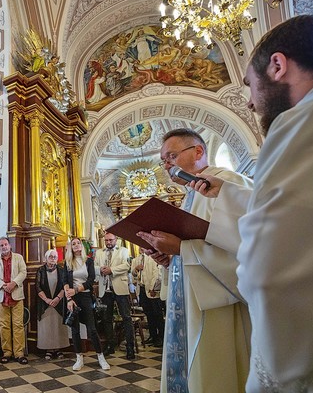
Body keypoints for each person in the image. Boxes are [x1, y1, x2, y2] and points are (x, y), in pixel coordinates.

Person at [189, 15, 313, 392]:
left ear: (277, 66)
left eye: (248, 84)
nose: (248, 100)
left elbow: (272, 270)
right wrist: (228, 196)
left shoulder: (306, 120)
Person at [137, 128, 253, 393]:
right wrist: (169, 259)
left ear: (198, 152)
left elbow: (252, 248)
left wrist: (182, 249)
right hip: (191, 303)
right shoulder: (190, 196)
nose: (167, 165)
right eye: (164, 161)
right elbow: (196, 246)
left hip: (221, 307)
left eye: (172, 156)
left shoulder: (228, 184)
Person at [63, 237, 110, 371]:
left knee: (92, 328)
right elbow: (65, 281)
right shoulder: (68, 262)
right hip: (72, 297)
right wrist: (69, 299)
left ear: (82, 246)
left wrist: (76, 289)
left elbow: (90, 281)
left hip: (85, 296)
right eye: (74, 244)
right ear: (71, 247)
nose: (76, 245)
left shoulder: (88, 261)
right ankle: (79, 359)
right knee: (75, 329)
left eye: (78, 243)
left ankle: (101, 358)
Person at [94, 232, 135, 360]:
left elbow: (127, 265)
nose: (108, 242)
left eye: (111, 240)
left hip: (120, 288)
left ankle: (130, 348)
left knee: (126, 318)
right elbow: (94, 266)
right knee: (106, 319)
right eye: (106, 240)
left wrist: (112, 270)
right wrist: (100, 269)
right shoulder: (99, 253)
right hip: (105, 290)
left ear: (116, 240)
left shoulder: (123, 250)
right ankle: (110, 346)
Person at [0, 237, 28, 364]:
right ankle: (7, 352)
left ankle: (19, 353)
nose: (4, 247)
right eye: (1, 245)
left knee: (18, 325)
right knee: (4, 325)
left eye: (5, 244)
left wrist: (14, 283)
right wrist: (4, 285)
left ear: (10, 245)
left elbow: (23, 272)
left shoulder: (18, 257)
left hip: (16, 295)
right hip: (1, 296)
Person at [35, 249, 69, 360]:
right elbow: (38, 286)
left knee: (58, 325)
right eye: (50, 256)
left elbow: (65, 285)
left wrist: (58, 298)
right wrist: (47, 300)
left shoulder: (62, 270)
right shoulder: (40, 270)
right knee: (47, 326)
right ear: (46, 258)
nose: (53, 258)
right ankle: (48, 349)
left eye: (55, 256)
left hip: (58, 302)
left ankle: (59, 348)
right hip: (45, 303)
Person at [131, 247, 164, 348]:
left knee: (157, 314)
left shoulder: (153, 258)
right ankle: (153, 335)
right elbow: (132, 275)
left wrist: (153, 288)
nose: (141, 248)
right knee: (148, 314)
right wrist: (136, 269)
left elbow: (157, 273)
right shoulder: (136, 259)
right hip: (141, 288)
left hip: (152, 289)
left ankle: (161, 337)